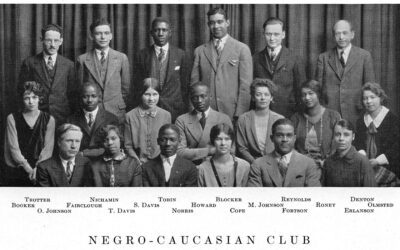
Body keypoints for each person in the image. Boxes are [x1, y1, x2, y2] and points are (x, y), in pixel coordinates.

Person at [191, 7, 252, 121]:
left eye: (220, 22)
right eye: (212, 23)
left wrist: (240, 114)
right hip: (206, 112)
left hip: (232, 112)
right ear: (208, 25)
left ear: (227, 22)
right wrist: (195, 112)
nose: (216, 26)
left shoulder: (241, 49)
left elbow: (245, 86)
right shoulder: (199, 51)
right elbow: (194, 85)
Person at [316, 20, 375, 126]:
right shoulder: (323, 58)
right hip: (330, 115)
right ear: (334, 36)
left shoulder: (364, 56)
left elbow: (370, 89)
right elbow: (317, 90)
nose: (341, 37)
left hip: (357, 114)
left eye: (345, 33)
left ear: (352, 34)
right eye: (338, 33)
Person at [133, 17, 191, 121]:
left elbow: (185, 86)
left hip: (175, 110)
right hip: (149, 109)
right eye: (157, 30)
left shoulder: (181, 55)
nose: (160, 33)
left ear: (170, 33)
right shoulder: (142, 55)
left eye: (164, 30)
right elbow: (137, 86)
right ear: (151, 33)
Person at [76, 18, 130, 123]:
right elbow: (80, 89)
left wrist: (116, 103)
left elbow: (126, 90)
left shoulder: (121, 58)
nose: (103, 37)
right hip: (92, 111)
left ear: (111, 36)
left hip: (116, 111)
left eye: (106, 33)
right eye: (98, 33)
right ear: (91, 36)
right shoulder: (82, 59)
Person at [19, 24, 75, 125]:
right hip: (37, 117)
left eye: (56, 41)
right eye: (49, 40)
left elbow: (73, 95)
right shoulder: (29, 63)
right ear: (42, 40)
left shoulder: (69, 65)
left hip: (62, 118)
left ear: (61, 41)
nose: (52, 44)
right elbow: (22, 92)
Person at [253, 17, 306, 117]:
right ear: (263, 34)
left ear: (283, 35)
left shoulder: (295, 59)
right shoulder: (255, 59)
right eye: (268, 34)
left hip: (288, 115)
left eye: (276, 34)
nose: (272, 38)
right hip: (262, 115)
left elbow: (300, 91)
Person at [4, 81, 55, 186]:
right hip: (18, 168)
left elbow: (48, 149)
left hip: (41, 168)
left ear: (40, 99)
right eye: (27, 98)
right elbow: (14, 149)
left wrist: (37, 169)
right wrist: (28, 168)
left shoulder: (49, 119)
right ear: (22, 100)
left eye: (34, 97)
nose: (31, 101)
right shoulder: (12, 118)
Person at [247, 118, 321, 187]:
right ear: (272, 138)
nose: (285, 139)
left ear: (294, 138)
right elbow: (254, 195)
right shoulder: (258, 164)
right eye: (279, 135)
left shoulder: (308, 164)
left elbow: (314, 195)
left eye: (289, 135)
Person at [354, 82, 400, 186]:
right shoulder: (361, 121)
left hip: (388, 166)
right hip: (365, 164)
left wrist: (378, 161)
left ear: (380, 98)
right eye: (365, 98)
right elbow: (358, 143)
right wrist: (364, 160)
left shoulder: (392, 120)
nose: (368, 101)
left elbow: (396, 148)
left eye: (372, 97)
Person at [175, 82, 232, 165]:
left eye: (203, 96)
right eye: (195, 97)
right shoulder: (181, 120)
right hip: (190, 167)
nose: (199, 100)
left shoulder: (223, 118)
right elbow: (179, 152)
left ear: (210, 97)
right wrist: (209, 150)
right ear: (190, 99)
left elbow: (231, 149)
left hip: (217, 166)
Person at [291, 80, 341, 167]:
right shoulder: (296, 118)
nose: (307, 97)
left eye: (311, 93)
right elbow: (290, 145)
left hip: (328, 165)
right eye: (304, 95)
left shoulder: (333, 116)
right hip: (301, 165)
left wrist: (326, 162)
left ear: (318, 94)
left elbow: (337, 145)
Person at [236, 78, 284, 164]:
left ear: (271, 97)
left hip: (275, 164)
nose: (263, 98)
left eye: (266, 94)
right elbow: (241, 148)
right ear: (253, 97)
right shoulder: (243, 119)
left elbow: (283, 145)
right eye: (258, 94)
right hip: (251, 164)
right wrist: (255, 163)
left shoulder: (279, 119)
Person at [124, 78, 171, 164]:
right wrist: (137, 162)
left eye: (155, 94)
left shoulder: (166, 115)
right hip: (138, 163)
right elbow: (128, 146)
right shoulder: (130, 116)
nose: (151, 99)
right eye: (147, 94)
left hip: (160, 163)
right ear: (141, 94)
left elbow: (168, 143)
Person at [67, 82, 119, 159]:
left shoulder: (111, 119)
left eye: (93, 96)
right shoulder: (71, 120)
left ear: (99, 98)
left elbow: (113, 146)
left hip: (103, 161)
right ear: (80, 98)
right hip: (79, 161)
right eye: (85, 97)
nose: (90, 100)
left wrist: (85, 153)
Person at [323, 119, 376, 187]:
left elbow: (372, 193)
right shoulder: (328, 162)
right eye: (337, 134)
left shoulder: (362, 161)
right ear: (333, 136)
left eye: (346, 135)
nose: (341, 138)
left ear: (353, 136)